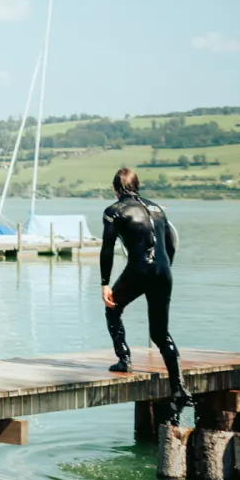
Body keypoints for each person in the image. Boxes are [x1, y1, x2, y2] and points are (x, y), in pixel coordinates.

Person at [100, 166, 189, 411]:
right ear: (137, 186)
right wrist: (164, 269)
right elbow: (169, 242)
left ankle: (124, 358)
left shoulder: (114, 211)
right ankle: (178, 387)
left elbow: (107, 249)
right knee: (160, 334)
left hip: (140, 269)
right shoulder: (157, 209)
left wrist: (104, 284)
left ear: (116, 189)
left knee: (112, 307)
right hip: (164, 271)